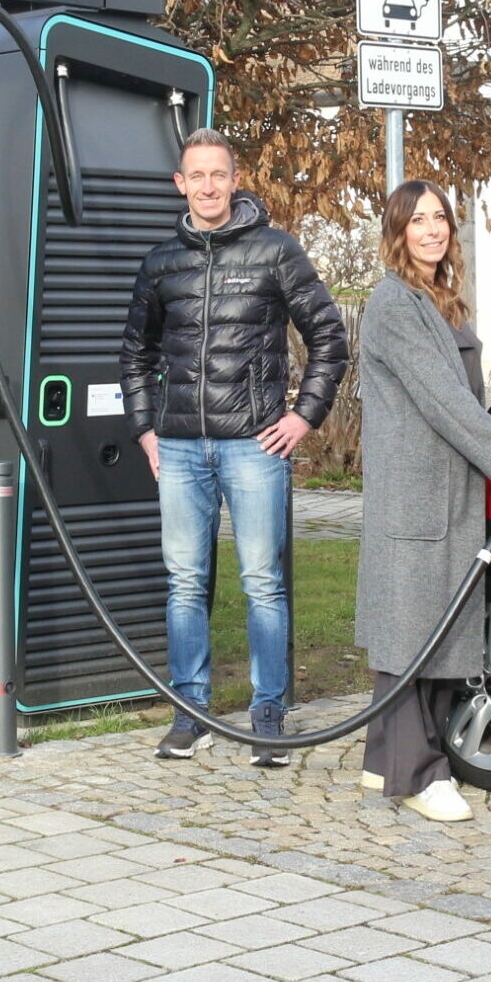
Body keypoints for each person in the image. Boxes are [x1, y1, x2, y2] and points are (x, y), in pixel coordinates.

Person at [119, 128, 349, 765]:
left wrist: (304, 416)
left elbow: (330, 336)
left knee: (262, 583)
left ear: (235, 179)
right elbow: (134, 354)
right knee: (185, 584)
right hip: (181, 450)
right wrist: (145, 428)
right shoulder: (162, 263)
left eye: (218, 174)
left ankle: (267, 713)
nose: (209, 186)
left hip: (254, 447)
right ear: (181, 184)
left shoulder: (277, 252)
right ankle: (189, 711)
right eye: (197, 176)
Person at [353, 179, 491, 823]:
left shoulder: (442, 301)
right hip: (414, 493)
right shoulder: (394, 304)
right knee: (411, 634)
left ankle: (383, 760)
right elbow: (445, 400)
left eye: (441, 219)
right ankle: (422, 774)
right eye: (419, 220)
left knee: (432, 627)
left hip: (448, 488)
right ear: (398, 230)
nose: (433, 230)